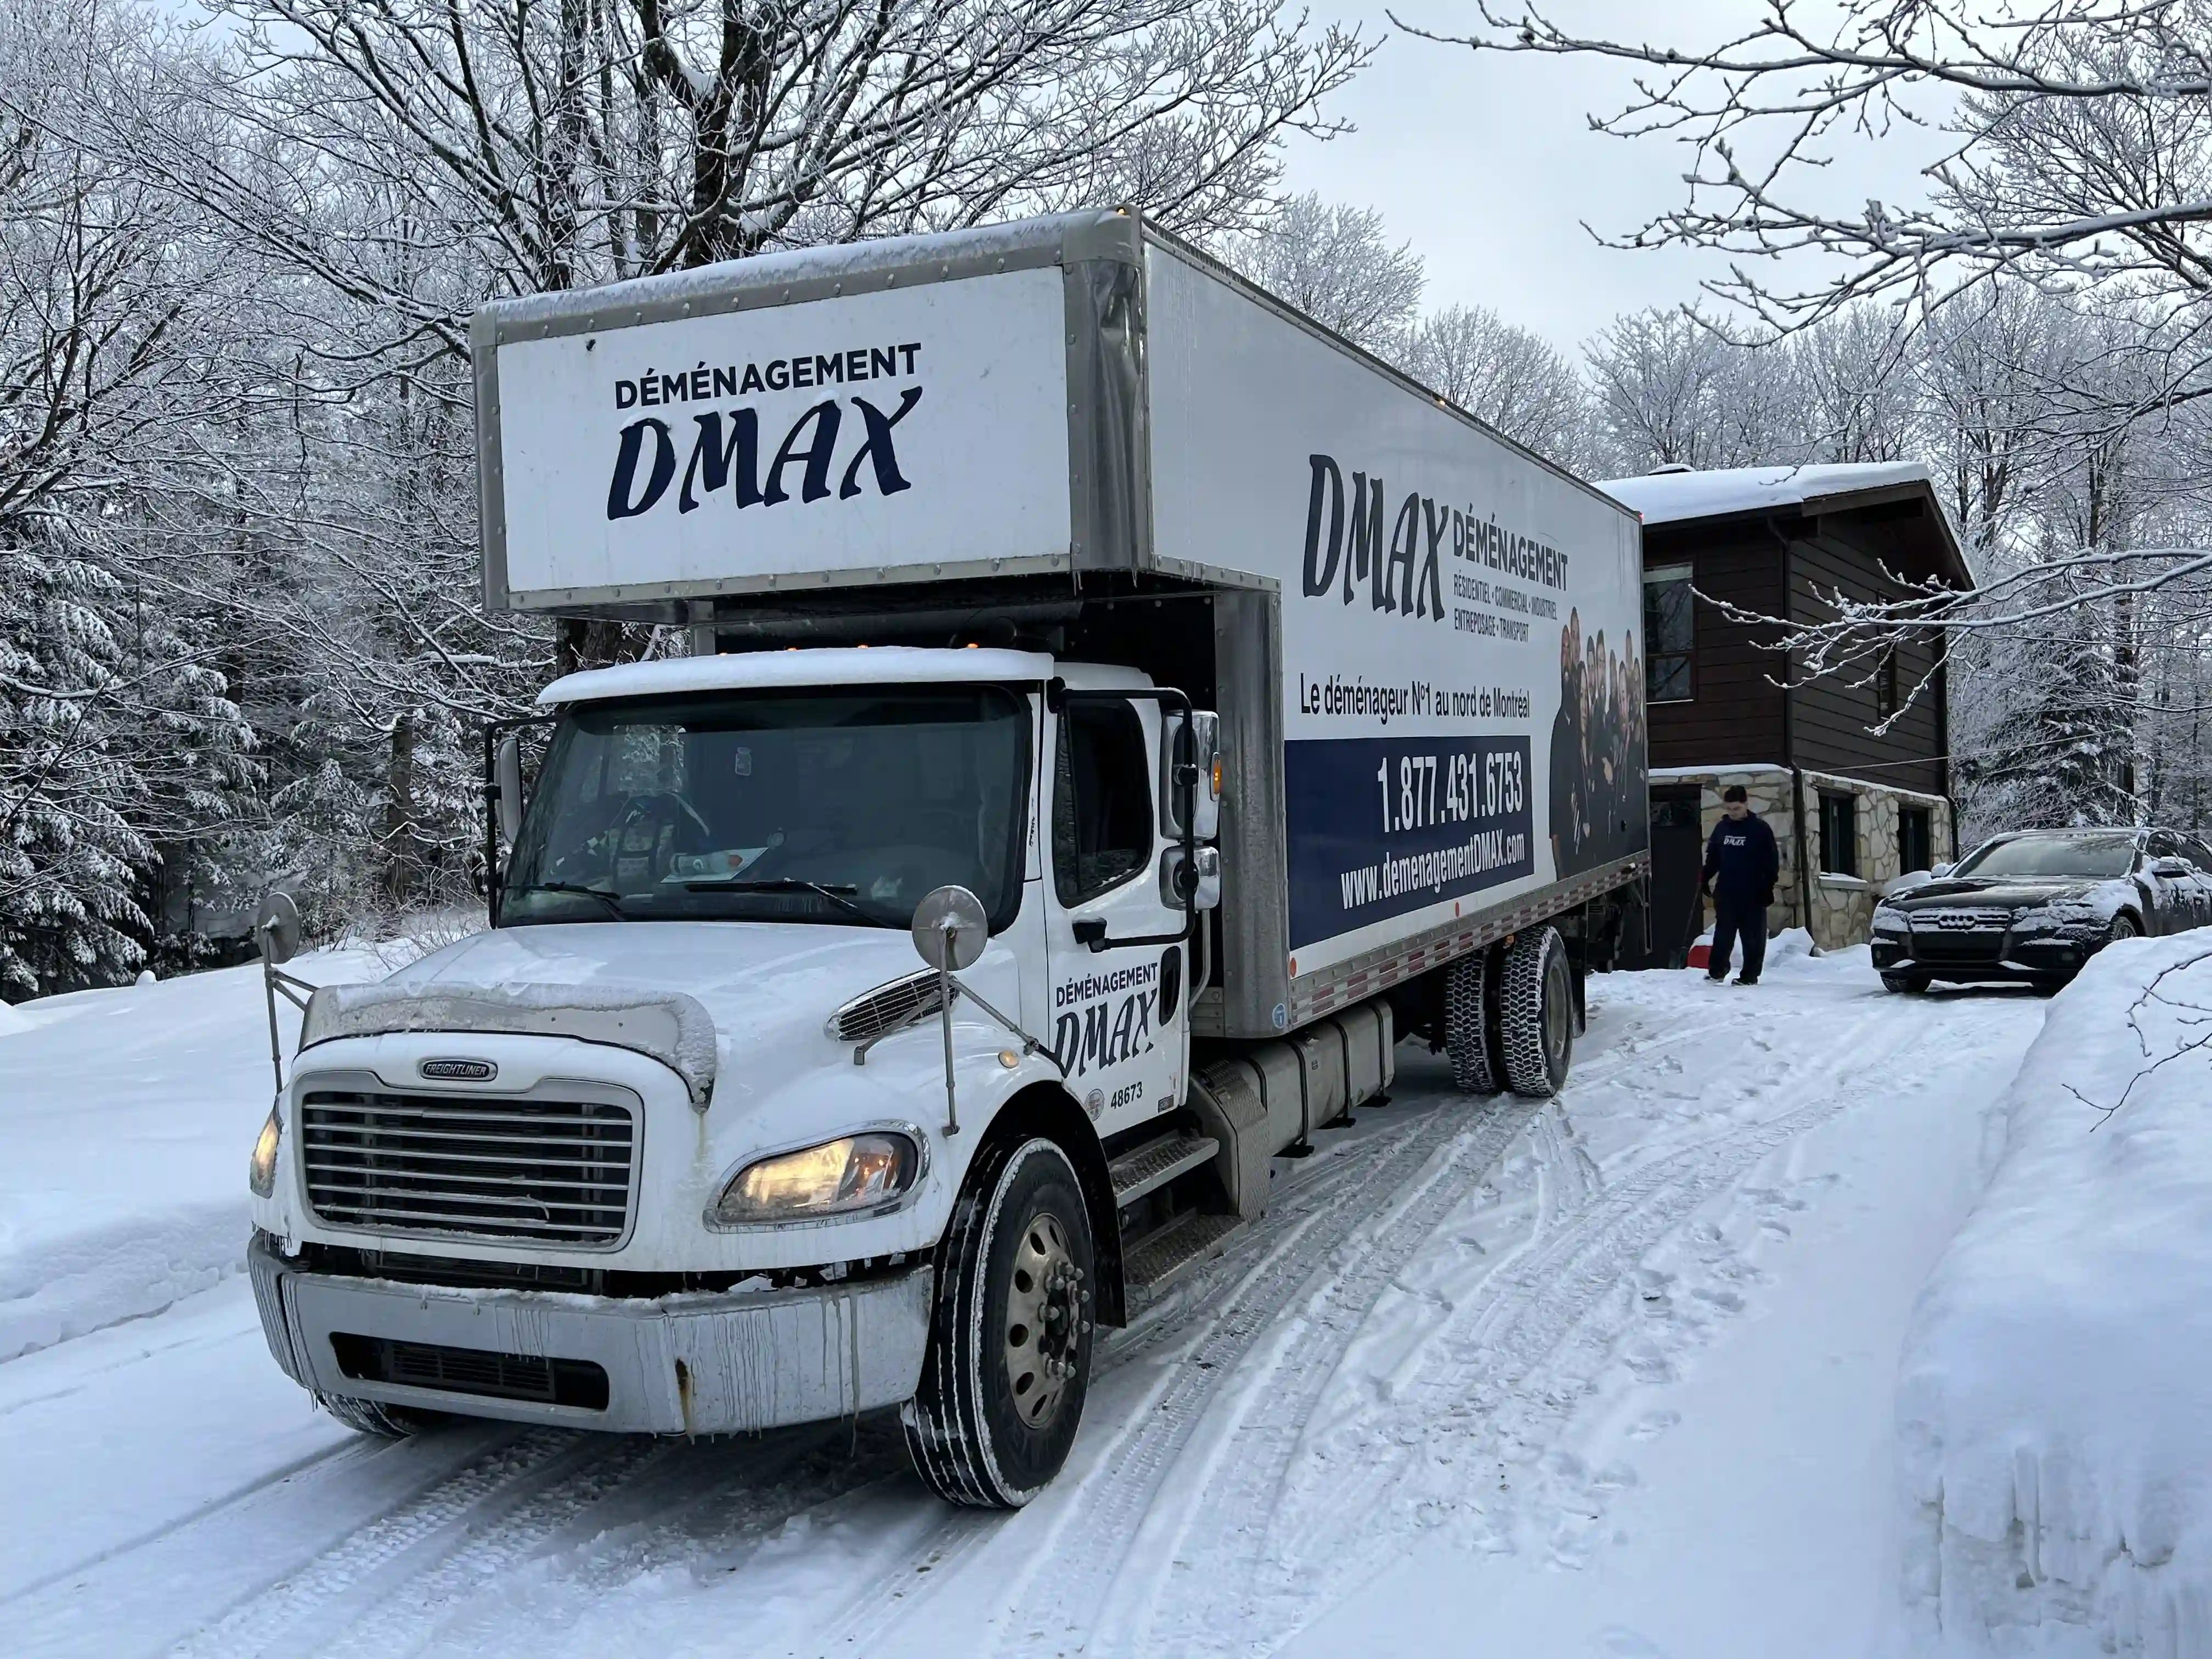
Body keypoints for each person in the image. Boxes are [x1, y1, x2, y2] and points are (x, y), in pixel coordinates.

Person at [1701, 785, 1778, 985]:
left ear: (1745, 804)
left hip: (1753, 893)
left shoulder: (1760, 830)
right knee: (1723, 934)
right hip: (1726, 891)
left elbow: (1771, 862)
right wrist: (1705, 877)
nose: (1732, 813)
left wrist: (1767, 887)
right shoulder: (1722, 829)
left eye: (1736, 809)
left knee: (1752, 937)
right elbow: (1713, 857)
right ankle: (1717, 971)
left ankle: (1749, 976)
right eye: (1729, 809)